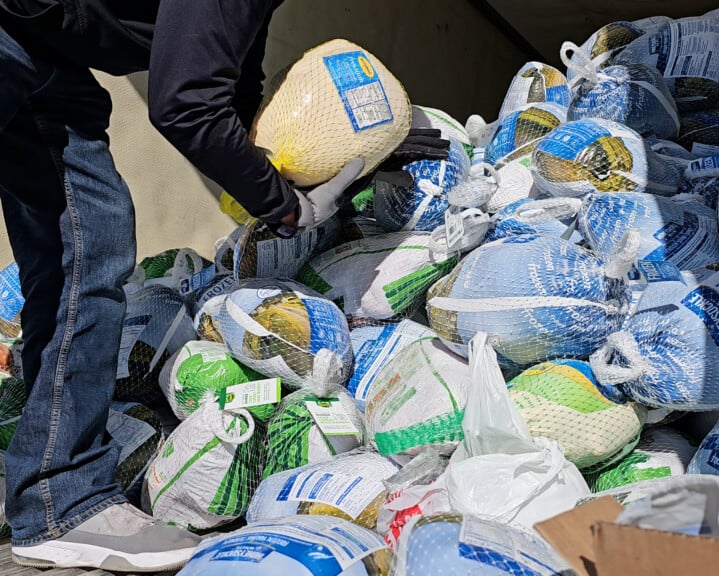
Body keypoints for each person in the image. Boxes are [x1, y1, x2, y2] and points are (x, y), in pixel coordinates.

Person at [0, 0, 447, 571]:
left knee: (88, 248)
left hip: (43, 63)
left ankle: (60, 499)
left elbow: (229, 93)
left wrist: (360, 152)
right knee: (88, 248)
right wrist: (287, 207)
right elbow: (185, 104)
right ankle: (60, 497)